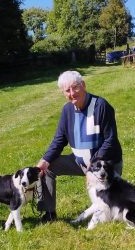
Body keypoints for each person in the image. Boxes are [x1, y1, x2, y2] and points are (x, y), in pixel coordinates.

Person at [37, 70, 123, 222]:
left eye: (75, 87)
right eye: (67, 90)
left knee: (107, 214)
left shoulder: (101, 106)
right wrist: (45, 159)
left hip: (106, 165)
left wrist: (92, 168)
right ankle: (49, 213)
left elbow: (110, 140)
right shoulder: (67, 111)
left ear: (83, 85)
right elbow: (59, 140)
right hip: (80, 162)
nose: (72, 93)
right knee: (47, 168)